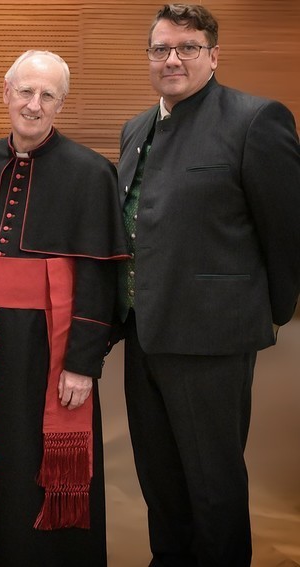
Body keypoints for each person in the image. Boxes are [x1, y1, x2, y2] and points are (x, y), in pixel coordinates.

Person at [117, 4, 300, 565]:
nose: (172, 59)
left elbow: (287, 228)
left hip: (211, 339)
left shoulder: (255, 119)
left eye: (187, 48)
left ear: (213, 56)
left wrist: (269, 311)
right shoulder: (136, 127)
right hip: (144, 336)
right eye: (160, 49)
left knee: (212, 491)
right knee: (160, 487)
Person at [0, 50, 127, 566]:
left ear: (61, 103)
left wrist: (81, 363)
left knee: (35, 464)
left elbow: (101, 276)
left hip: (45, 349)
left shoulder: (91, 172)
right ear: (5, 93)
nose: (33, 105)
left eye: (47, 95)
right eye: (25, 92)